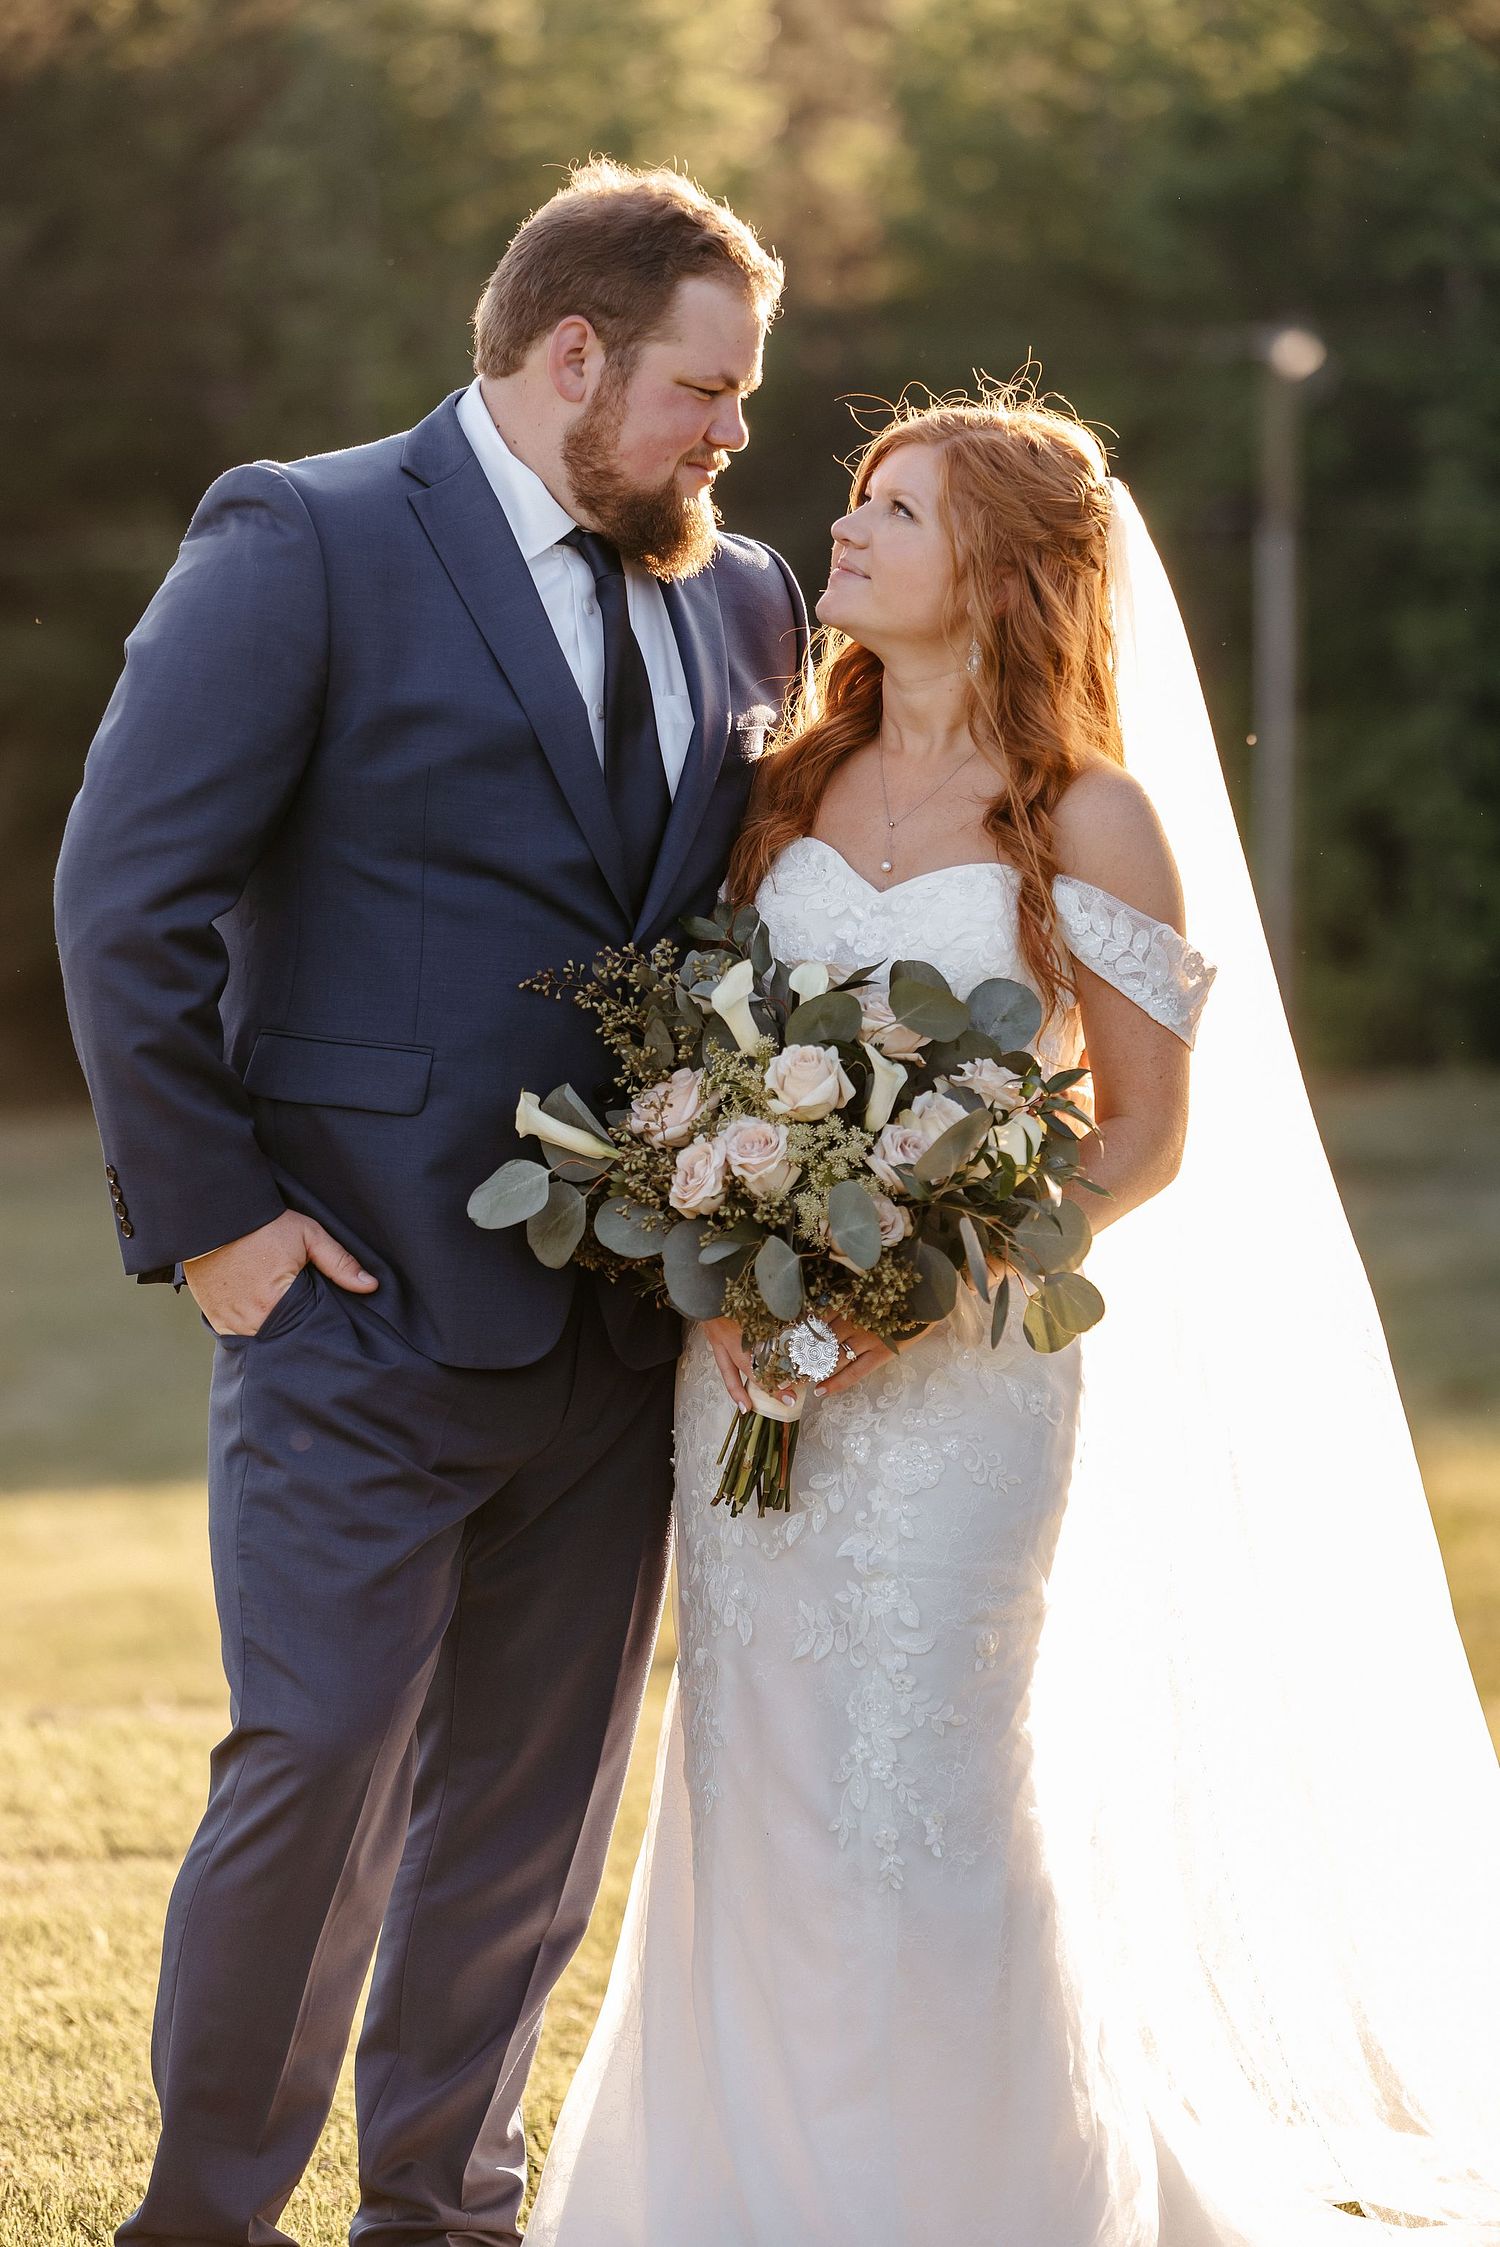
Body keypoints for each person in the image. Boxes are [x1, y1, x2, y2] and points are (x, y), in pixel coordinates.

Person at [526, 391, 1500, 2244]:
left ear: (997, 571)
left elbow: (1142, 1136)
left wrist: (907, 1286)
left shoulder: (1094, 817)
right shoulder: (779, 790)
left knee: (927, 1791)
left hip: (965, 1388)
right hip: (748, 1370)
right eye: (863, 501)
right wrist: (736, 1250)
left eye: (899, 508)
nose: (853, 530)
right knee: (757, 1777)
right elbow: (705, 1064)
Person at [53, 158, 807, 2247]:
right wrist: (218, 1224)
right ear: (573, 355)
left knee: (531, 1817)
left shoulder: (742, 595)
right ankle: (200, 2220)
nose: (732, 436)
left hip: (625, 1324)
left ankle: (442, 2213)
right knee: (311, 1771)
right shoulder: (305, 537)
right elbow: (125, 891)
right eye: (706, 390)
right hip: (354, 1296)